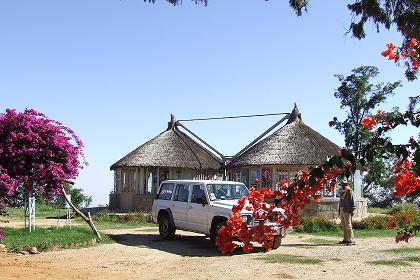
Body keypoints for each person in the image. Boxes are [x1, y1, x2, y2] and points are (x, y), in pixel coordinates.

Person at [338, 178, 356, 245]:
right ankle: (346, 239)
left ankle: (351, 240)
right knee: (343, 225)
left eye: (343, 185)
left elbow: (353, 201)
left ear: (346, 184)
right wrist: (339, 211)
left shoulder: (349, 191)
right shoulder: (343, 191)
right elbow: (341, 202)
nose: (342, 186)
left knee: (348, 225)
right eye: (342, 185)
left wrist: (352, 210)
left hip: (347, 210)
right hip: (342, 209)